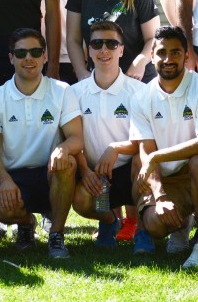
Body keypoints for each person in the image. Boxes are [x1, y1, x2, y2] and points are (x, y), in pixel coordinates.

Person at [0, 28, 82, 258]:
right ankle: (26, 224)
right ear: (11, 58)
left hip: (50, 172)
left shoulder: (62, 91)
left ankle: (56, 236)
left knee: (67, 163)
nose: (29, 58)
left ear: (45, 56)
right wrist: (5, 181)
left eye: (36, 52)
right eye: (21, 53)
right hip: (15, 177)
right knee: (1, 207)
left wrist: (62, 148)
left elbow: (77, 138)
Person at [130, 26, 198, 269]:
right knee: (156, 224)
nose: (168, 60)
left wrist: (157, 156)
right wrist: (160, 197)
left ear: (186, 55)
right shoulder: (141, 97)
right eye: (161, 53)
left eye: (175, 53)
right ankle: (182, 223)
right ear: (152, 56)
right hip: (166, 179)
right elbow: (146, 152)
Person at [68, 21, 145, 248]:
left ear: (121, 49)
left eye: (111, 44)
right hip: (96, 175)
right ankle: (110, 222)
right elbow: (71, 140)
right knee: (80, 200)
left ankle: (142, 231)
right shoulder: (74, 93)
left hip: (130, 170)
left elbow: (146, 141)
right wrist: (85, 170)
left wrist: (117, 148)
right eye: (97, 44)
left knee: (142, 158)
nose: (104, 50)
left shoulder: (140, 91)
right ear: (88, 51)